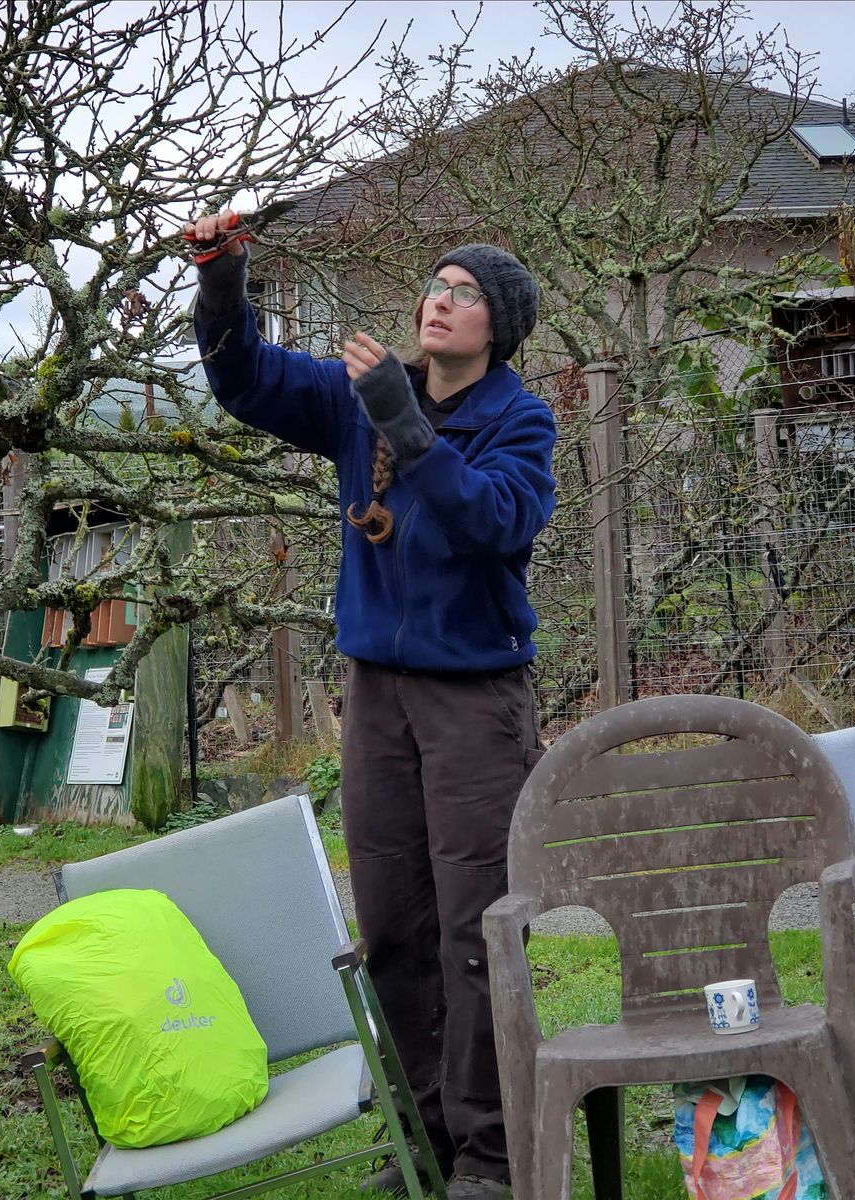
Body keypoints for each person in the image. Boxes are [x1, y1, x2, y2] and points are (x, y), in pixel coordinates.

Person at [188, 210, 557, 1200]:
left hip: (475, 703)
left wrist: (409, 426)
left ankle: (492, 1155)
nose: (441, 300)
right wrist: (224, 281)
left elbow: (496, 521)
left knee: (478, 932)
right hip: (377, 700)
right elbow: (245, 380)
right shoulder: (362, 396)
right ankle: (422, 1139)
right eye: (437, 284)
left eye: (466, 293)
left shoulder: (520, 421)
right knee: (394, 927)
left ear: (499, 326)